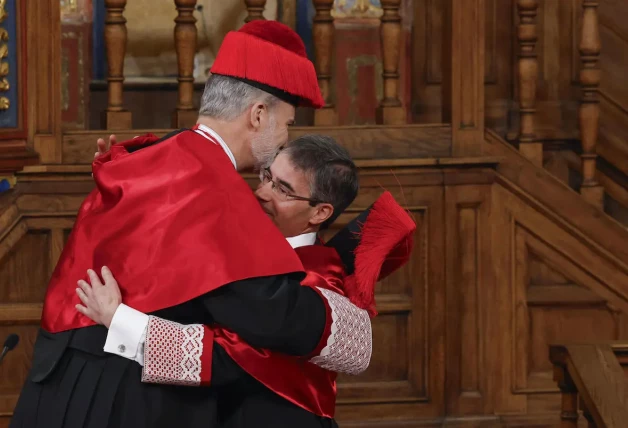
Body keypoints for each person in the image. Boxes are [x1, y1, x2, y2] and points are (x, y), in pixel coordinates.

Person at [10, 21, 370, 428]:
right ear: (258, 115)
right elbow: (264, 311)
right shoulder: (212, 186)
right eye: (286, 123)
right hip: (123, 396)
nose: (285, 138)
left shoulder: (157, 153)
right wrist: (344, 324)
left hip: (60, 381)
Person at [76, 135, 416, 428]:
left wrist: (118, 319)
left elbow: (217, 360)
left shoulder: (316, 280)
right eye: (266, 176)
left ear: (320, 213)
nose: (261, 193)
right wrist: (123, 185)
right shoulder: (237, 233)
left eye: (282, 189)